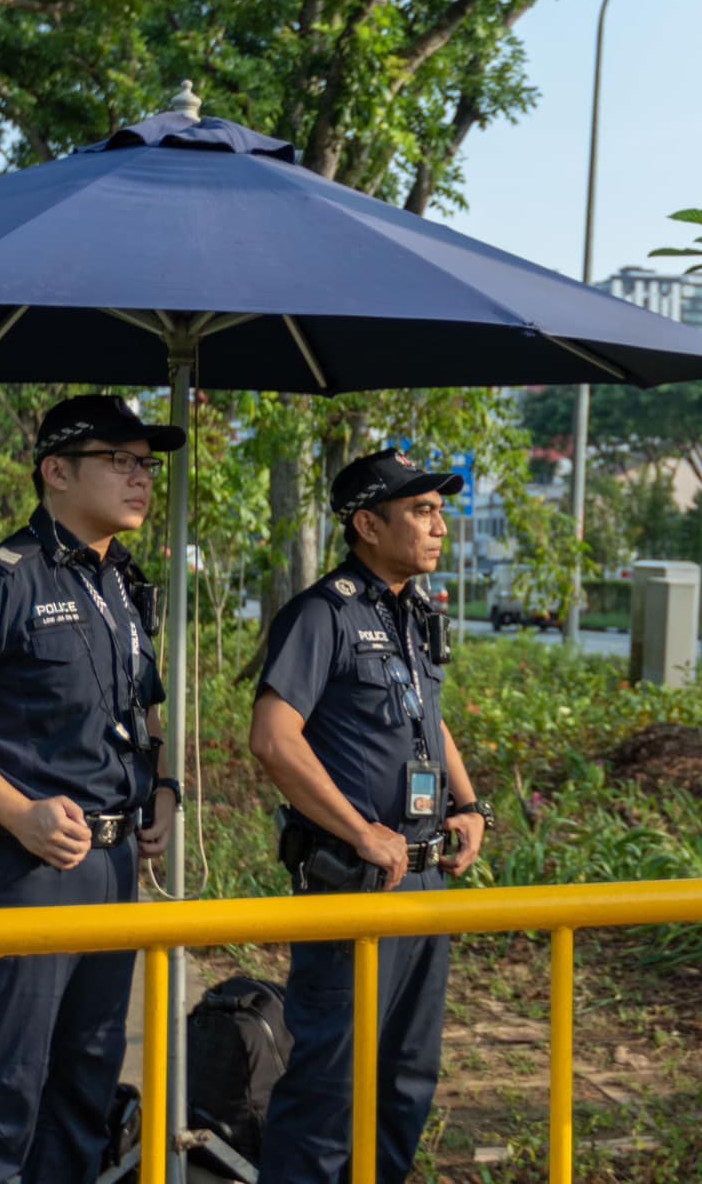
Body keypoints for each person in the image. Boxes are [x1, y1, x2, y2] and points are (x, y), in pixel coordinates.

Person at [0, 394, 185, 1184]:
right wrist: (18, 812)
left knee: (83, 1090)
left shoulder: (122, 586)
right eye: (118, 461)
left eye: (146, 464)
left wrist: (162, 789)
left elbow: (136, 707)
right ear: (56, 471)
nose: (141, 478)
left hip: (114, 872)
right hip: (27, 874)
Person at [249, 448, 495, 1184]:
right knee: (330, 1087)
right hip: (355, 881)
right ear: (366, 523)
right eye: (421, 511)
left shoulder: (414, 614)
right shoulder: (323, 615)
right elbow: (272, 737)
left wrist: (470, 802)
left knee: (405, 1083)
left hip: (424, 883)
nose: (439, 526)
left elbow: (428, 715)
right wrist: (361, 832)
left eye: (440, 511)